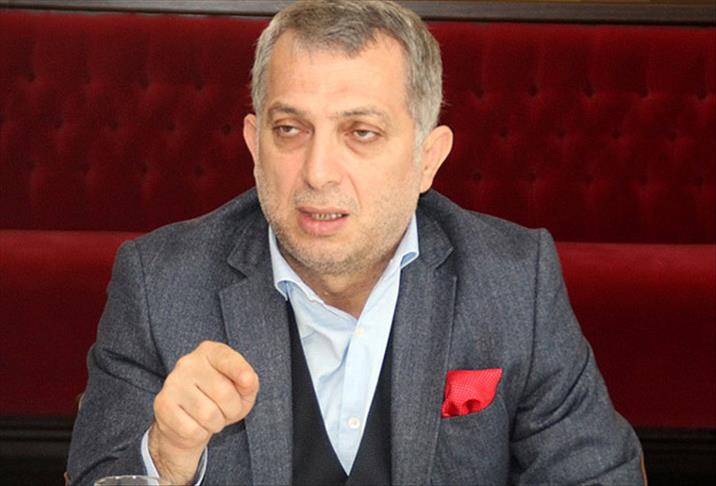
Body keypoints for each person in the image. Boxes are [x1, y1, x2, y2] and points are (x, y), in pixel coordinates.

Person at [67, 1, 644, 484]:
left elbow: (597, 475)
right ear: (253, 143)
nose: (318, 172)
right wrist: (165, 456)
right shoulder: (158, 283)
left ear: (428, 158)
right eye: (290, 130)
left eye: (361, 133)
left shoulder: (515, 280)